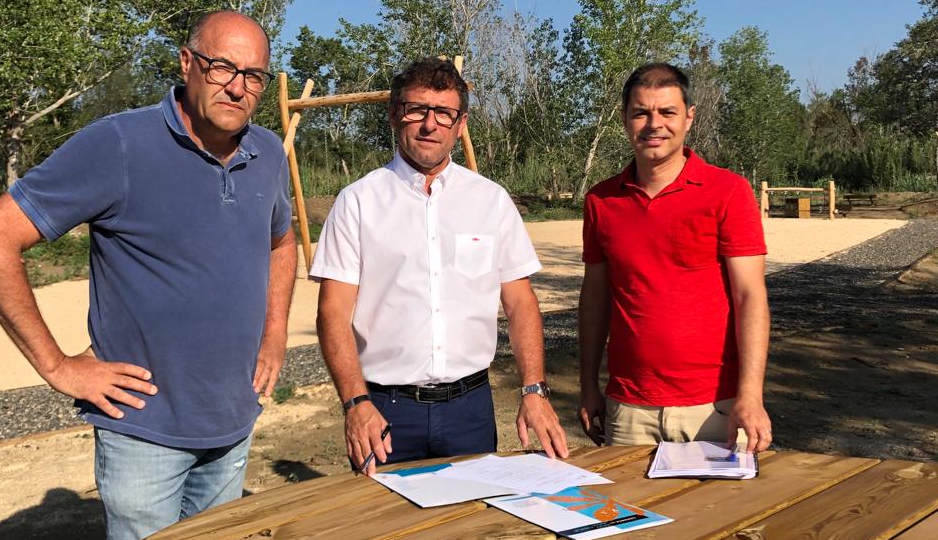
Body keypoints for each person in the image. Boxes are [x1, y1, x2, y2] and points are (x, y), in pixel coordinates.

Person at [0, 10, 297, 540]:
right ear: (187, 64)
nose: (238, 86)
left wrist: (275, 334)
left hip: (233, 418)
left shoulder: (267, 153)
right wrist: (58, 366)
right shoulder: (118, 145)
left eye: (253, 75)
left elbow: (282, 242)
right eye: (221, 68)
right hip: (143, 429)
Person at [311, 57, 568, 475]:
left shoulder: (490, 201)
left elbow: (521, 302)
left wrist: (534, 390)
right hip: (385, 412)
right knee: (385, 531)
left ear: (461, 123)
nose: (430, 125)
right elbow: (333, 313)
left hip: (471, 410)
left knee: (473, 529)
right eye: (417, 110)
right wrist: (356, 403)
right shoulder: (358, 202)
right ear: (395, 115)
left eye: (444, 113)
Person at [577, 62, 772, 453]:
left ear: (688, 117)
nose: (654, 124)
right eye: (641, 112)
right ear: (625, 119)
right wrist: (587, 386)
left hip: (713, 405)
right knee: (628, 513)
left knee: (715, 515)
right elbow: (595, 297)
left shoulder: (727, 192)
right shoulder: (601, 200)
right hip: (629, 407)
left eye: (667, 112)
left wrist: (750, 396)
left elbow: (750, 297)